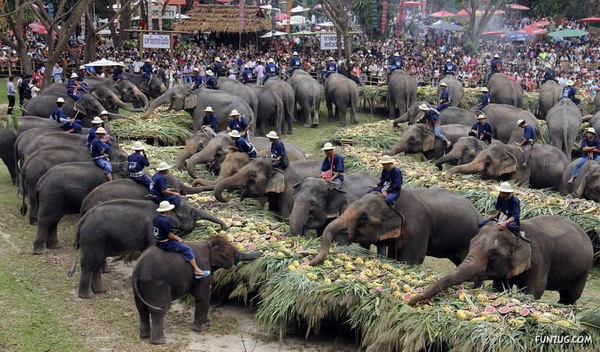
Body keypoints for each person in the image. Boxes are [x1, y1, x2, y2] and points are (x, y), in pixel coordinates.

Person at [152, 200, 210, 279]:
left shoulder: (156, 218)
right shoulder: (165, 221)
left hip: (158, 242)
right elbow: (169, 234)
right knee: (187, 249)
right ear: (167, 210)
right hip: (166, 243)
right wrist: (177, 238)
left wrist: (175, 237)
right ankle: (197, 270)